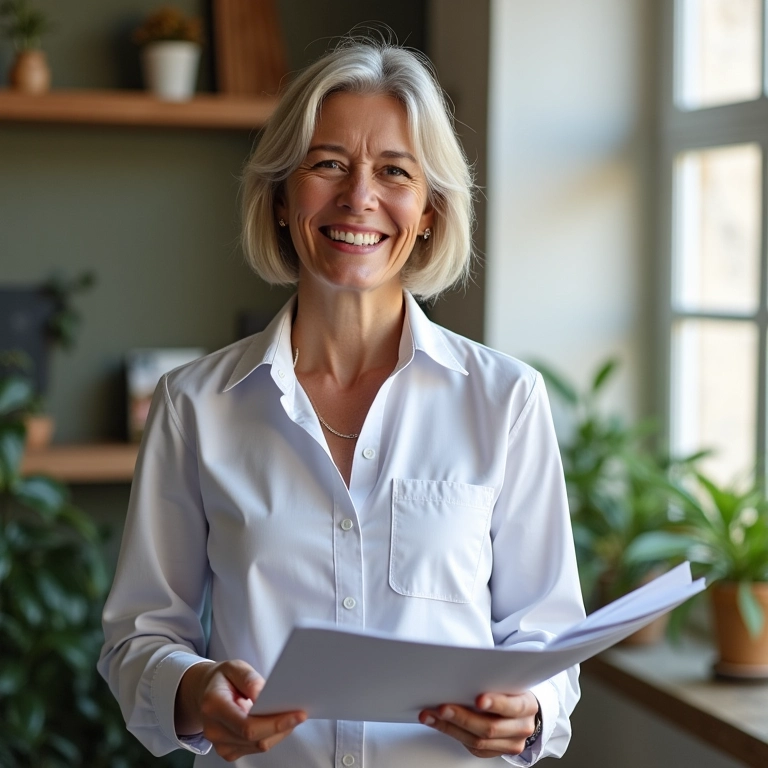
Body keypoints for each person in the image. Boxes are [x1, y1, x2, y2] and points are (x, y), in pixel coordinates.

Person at [98, 38, 585, 767]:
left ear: (427, 212)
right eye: (328, 164)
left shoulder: (506, 399)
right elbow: (139, 638)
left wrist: (532, 709)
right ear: (283, 195)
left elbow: (547, 640)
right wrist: (196, 691)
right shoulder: (193, 406)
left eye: (394, 171)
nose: (359, 197)